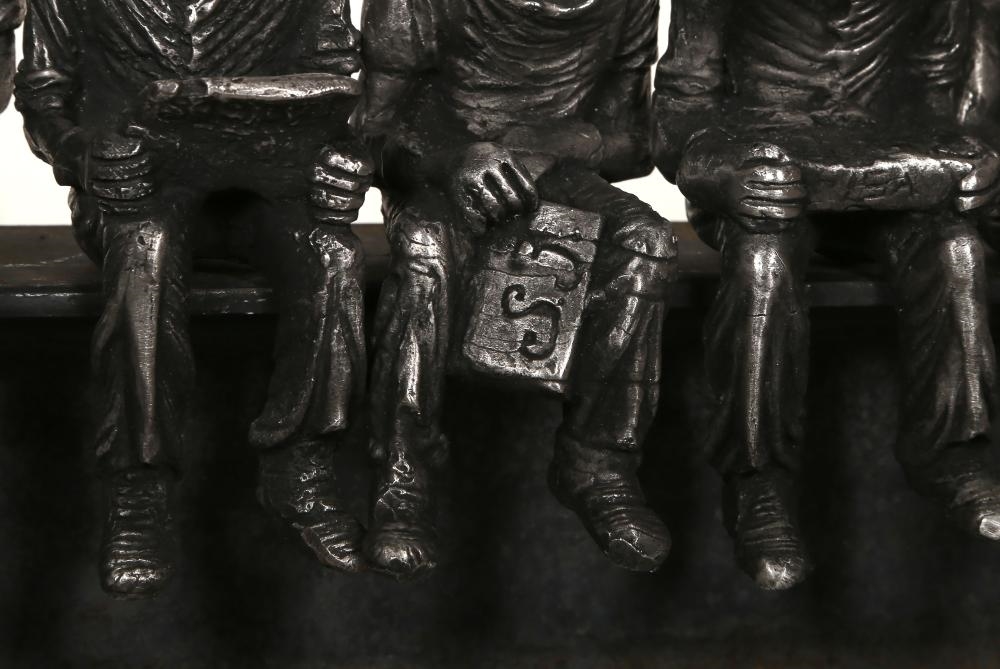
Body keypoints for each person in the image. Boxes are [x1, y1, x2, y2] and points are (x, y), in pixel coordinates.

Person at [16, 0, 373, 597]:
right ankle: (138, 487)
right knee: (145, 249)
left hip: (262, 191)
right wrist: (81, 152)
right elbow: (43, 98)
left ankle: (300, 464)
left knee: (334, 257)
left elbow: (340, 89)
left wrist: (345, 153)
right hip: (136, 191)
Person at [656, 0, 1000, 590]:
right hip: (765, 180)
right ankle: (757, 481)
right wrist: (720, 173)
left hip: (893, 180)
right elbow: (678, 111)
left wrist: (973, 163)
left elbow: (947, 97)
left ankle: (952, 449)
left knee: (956, 252)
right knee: (763, 263)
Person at [360, 0, 676, 579]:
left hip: (557, 171)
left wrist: (558, 143)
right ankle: (403, 475)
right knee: (425, 251)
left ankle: (597, 462)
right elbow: (371, 133)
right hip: (437, 175)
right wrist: (456, 157)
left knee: (646, 242)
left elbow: (634, 143)